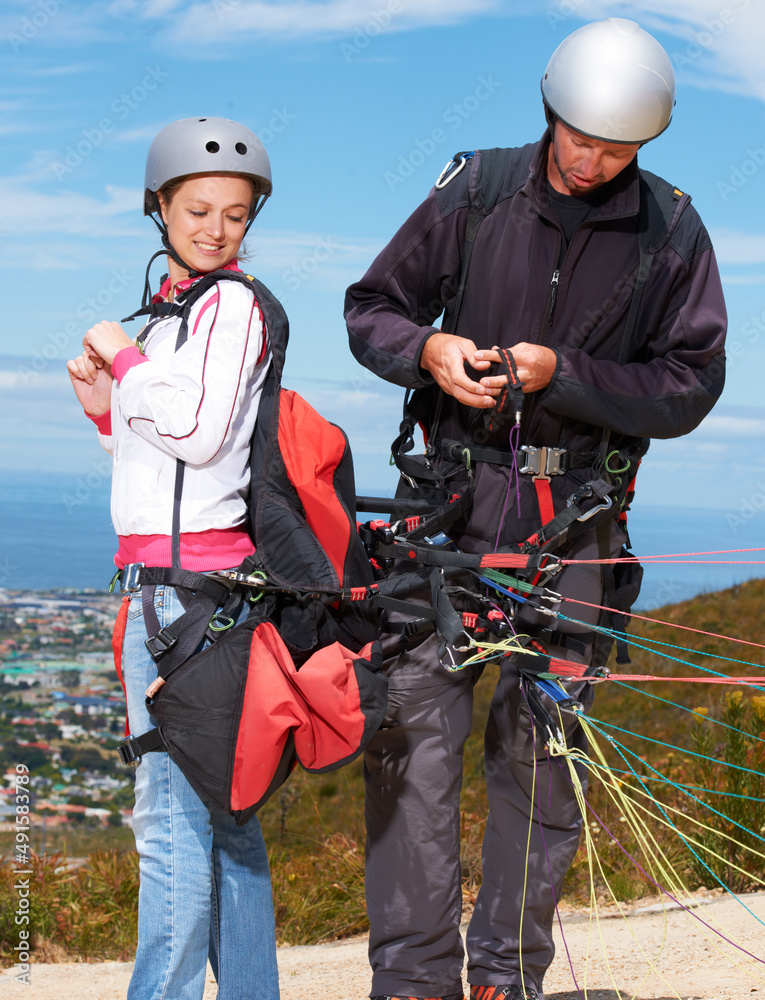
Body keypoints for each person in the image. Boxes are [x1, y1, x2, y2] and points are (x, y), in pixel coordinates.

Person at [344, 18, 726, 1000]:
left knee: (543, 761)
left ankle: (503, 981)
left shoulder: (673, 230)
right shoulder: (475, 191)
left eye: (620, 148)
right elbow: (372, 308)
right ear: (551, 112)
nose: (596, 160)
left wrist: (571, 376)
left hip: (580, 528)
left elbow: (690, 383)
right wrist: (429, 351)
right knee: (411, 753)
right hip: (447, 518)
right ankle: (415, 985)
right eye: (582, 138)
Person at [67, 117, 281, 1000]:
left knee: (170, 827)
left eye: (234, 214)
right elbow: (170, 466)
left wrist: (119, 352)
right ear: (158, 207)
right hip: (187, 589)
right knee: (221, 823)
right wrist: (106, 414)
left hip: (181, 602)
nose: (215, 228)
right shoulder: (176, 316)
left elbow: (193, 432)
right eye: (197, 209)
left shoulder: (230, 304)